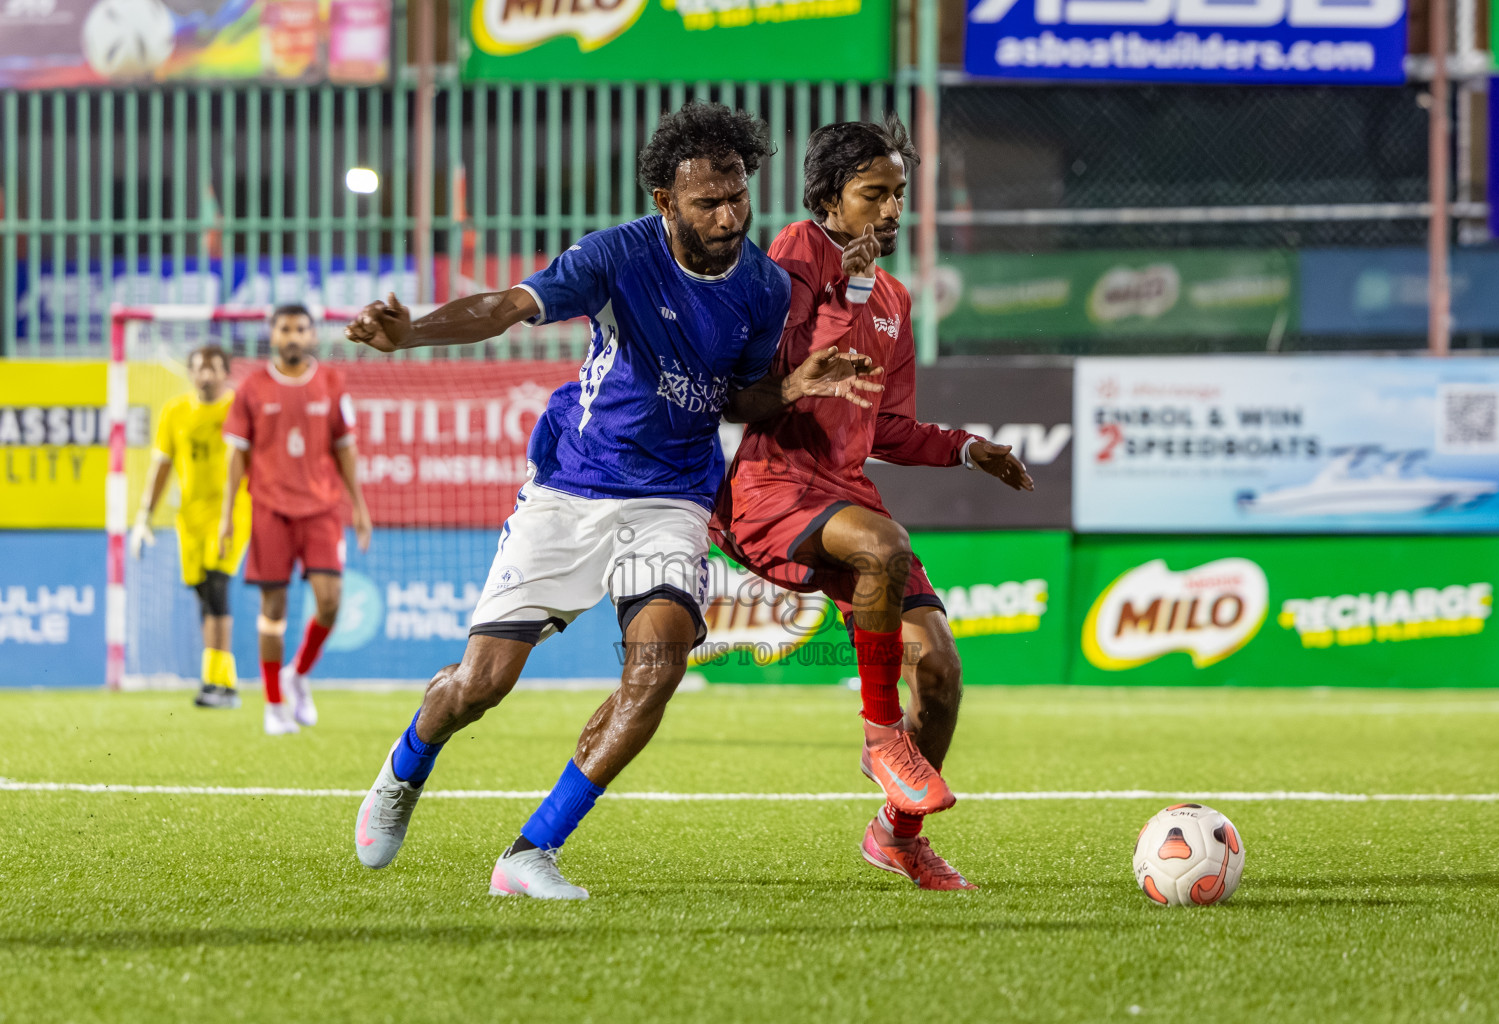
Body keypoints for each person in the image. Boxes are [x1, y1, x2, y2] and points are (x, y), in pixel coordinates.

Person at [344, 102, 881, 900]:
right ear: (666, 201)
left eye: (738, 196)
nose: (730, 216)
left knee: (658, 666)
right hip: (574, 486)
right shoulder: (615, 257)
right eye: (708, 202)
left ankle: (530, 853)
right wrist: (410, 332)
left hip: (672, 497)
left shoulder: (764, 287)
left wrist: (791, 387)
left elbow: (738, 401)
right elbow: (506, 308)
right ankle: (406, 765)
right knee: (481, 684)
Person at [712, 115, 1033, 890]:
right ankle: (880, 736)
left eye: (897, 195)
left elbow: (883, 424)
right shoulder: (795, 252)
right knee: (883, 546)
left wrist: (964, 448)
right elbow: (782, 372)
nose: (890, 211)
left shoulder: (894, 295)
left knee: (946, 676)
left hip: (845, 489)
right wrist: (844, 290)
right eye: (873, 194)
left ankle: (897, 835)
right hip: (773, 483)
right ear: (830, 197)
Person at [218, 304, 373, 736]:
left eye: (300, 329)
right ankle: (272, 704)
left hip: (321, 508)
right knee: (274, 608)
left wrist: (359, 507)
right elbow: (236, 455)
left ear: (311, 336)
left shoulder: (330, 382)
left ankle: (297, 674)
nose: (292, 335)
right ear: (272, 334)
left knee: (330, 601)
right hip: (269, 508)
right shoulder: (252, 388)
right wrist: (228, 516)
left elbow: (344, 447)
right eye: (284, 328)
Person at [130, 345, 251, 709]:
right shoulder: (175, 412)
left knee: (217, 587)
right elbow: (162, 466)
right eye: (200, 368)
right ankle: (213, 681)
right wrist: (143, 515)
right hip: (191, 518)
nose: (207, 375)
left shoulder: (239, 409)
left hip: (233, 512)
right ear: (190, 373)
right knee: (203, 593)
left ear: (227, 372)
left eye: (214, 368)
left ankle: (225, 684)